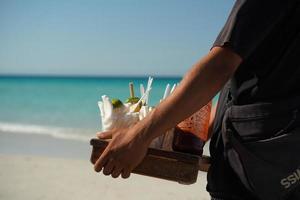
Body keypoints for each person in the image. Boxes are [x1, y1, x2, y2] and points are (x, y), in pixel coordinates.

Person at [93, 0, 300, 199]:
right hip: (283, 165)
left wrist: (139, 136)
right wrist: (186, 142)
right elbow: (254, 86)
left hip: (249, 175)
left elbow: (220, 66)